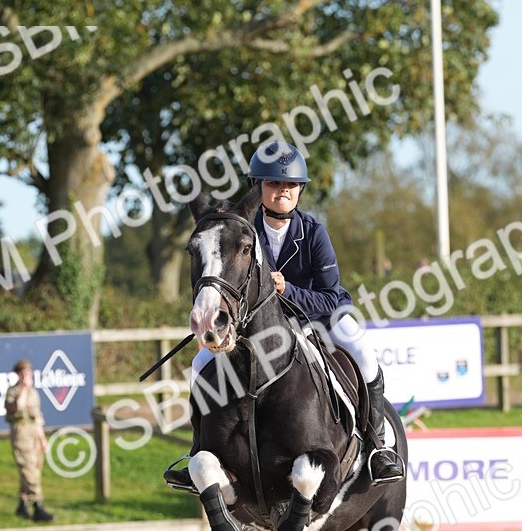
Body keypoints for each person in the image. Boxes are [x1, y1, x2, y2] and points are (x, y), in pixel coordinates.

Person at [166, 143, 405, 488]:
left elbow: (332, 297)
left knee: (364, 353)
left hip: (318, 319)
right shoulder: (244, 232)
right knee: (200, 365)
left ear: (299, 190)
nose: (282, 191)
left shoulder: (313, 232)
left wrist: (288, 290)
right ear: (258, 187)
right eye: (274, 184)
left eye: (290, 185)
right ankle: (197, 450)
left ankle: (377, 448)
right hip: (263, 328)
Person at [4, 359, 54, 522]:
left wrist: (42, 439)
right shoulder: (13, 392)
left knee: (36, 467)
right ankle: (38, 505)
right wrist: (23, 389)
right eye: (23, 373)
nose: (27, 376)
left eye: (29, 373)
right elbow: (16, 408)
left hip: (33, 432)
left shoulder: (34, 393)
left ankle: (22, 504)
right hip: (21, 432)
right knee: (28, 469)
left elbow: (37, 418)